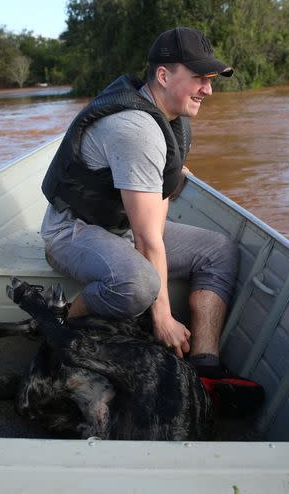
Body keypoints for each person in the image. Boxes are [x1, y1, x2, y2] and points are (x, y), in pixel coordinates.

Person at [40, 27, 238, 379]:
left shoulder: (173, 120)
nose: (208, 89)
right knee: (138, 285)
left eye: (210, 80)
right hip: (73, 230)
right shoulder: (136, 129)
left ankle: (206, 366)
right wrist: (162, 317)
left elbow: (158, 206)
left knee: (218, 251)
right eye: (198, 79)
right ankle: (57, 319)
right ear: (163, 75)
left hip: (121, 228)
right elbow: (147, 241)